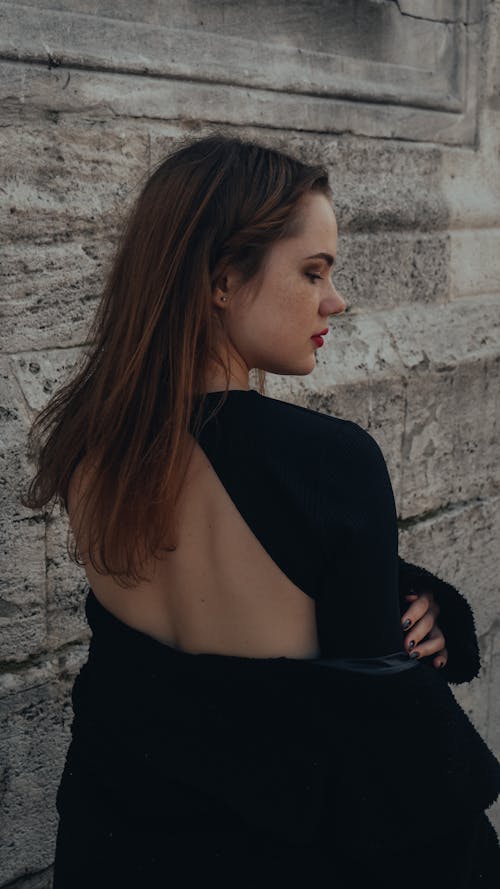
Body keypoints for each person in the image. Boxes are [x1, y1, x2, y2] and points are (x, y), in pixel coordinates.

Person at [22, 133, 500, 887]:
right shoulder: (330, 461)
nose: (334, 300)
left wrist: (410, 594)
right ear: (221, 279)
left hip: (121, 852)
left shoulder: (92, 453)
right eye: (313, 271)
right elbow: (391, 764)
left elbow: (189, 632)